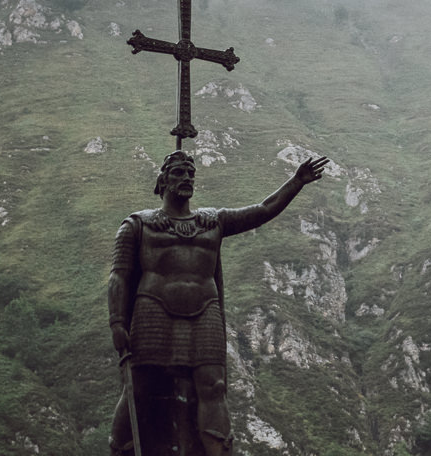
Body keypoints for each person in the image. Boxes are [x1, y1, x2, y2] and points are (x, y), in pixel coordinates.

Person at [108, 149, 329, 456]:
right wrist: (117, 322)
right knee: (140, 389)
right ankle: (120, 450)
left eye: (190, 173)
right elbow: (119, 276)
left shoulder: (212, 221)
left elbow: (263, 210)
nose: (186, 178)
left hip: (204, 314)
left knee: (213, 388)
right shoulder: (137, 225)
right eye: (178, 173)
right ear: (162, 180)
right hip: (152, 312)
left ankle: (219, 451)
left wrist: (296, 181)